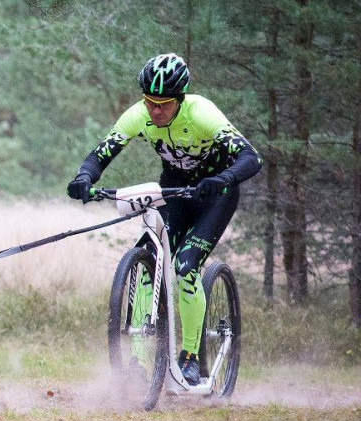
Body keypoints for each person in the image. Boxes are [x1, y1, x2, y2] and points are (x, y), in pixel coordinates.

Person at [67, 53, 262, 385]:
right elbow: (101, 153)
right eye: (149, 102)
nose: (154, 110)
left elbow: (251, 157)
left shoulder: (202, 113)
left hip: (215, 195)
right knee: (150, 260)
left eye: (163, 104)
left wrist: (223, 178)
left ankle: (191, 358)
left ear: (180, 99)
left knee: (185, 267)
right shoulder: (138, 115)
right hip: (174, 191)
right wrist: (85, 178)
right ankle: (141, 364)